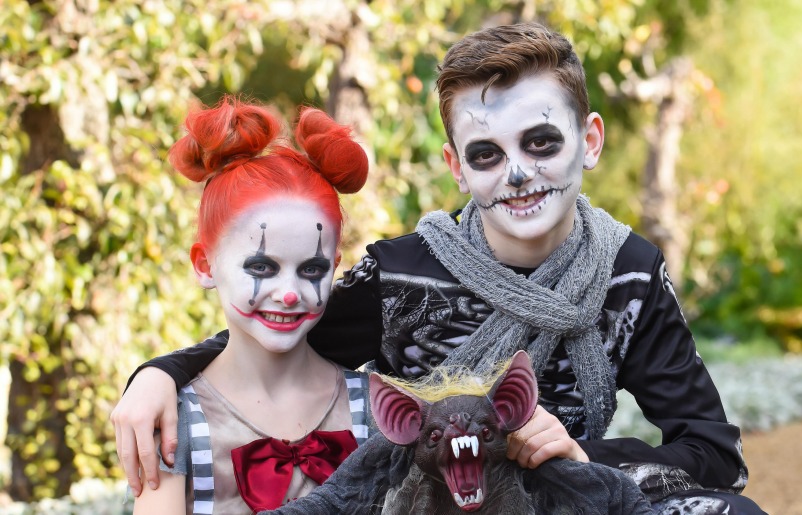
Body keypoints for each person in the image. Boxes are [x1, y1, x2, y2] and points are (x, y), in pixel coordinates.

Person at [114, 23, 764, 513]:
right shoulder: (401, 274)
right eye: (486, 154)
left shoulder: (628, 272)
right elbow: (283, 326)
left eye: (541, 142)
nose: (517, 173)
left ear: (588, 141)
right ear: (456, 166)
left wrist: (580, 454)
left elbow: (713, 452)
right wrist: (160, 373)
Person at [129, 97, 373, 514]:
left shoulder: (375, 408)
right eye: (262, 267)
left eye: (312, 269)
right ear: (205, 265)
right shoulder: (173, 418)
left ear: (334, 267)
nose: (289, 293)